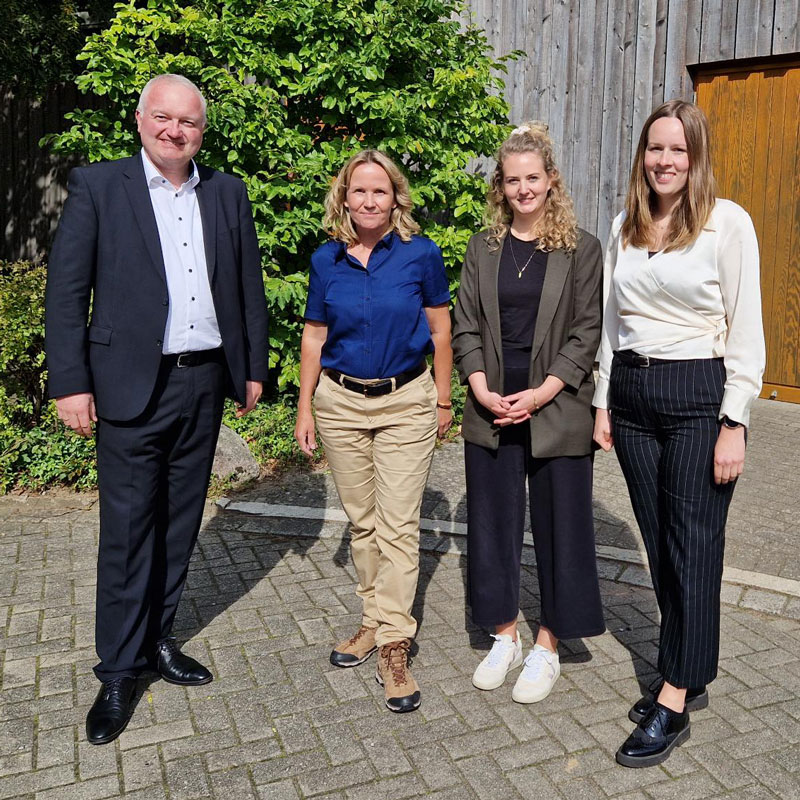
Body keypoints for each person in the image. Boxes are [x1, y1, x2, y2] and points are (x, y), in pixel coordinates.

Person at [45, 74, 269, 745]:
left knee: (179, 524)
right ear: (141, 119)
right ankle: (117, 669)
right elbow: (66, 293)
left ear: (203, 131)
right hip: (127, 386)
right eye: (165, 118)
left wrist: (252, 368)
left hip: (202, 383)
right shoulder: (99, 186)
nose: (176, 131)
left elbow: (247, 284)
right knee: (127, 532)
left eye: (190, 122)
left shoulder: (225, 193)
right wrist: (70, 382)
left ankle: (159, 642)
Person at [593, 99, 765, 768]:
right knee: (659, 541)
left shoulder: (728, 224)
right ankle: (685, 665)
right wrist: (605, 403)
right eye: (654, 148)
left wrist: (735, 421)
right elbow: (613, 322)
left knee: (693, 544)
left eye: (678, 150)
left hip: (699, 394)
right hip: (633, 395)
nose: (664, 161)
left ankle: (673, 697)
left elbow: (746, 329)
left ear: (696, 158)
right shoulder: (625, 226)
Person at [452, 122, 605, 705]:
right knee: (491, 525)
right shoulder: (482, 246)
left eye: (533, 178)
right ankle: (504, 633)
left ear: (551, 180)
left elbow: (587, 330)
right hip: (491, 400)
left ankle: (548, 644)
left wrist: (541, 393)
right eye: (513, 179)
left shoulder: (580, 248)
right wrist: (481, 386)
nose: (523, 189)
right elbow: (465, 323)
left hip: (557, 405)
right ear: (501, 184)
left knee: (562, 527)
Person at [294, 149, 452, 713]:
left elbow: (440, 331)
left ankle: (393, 643)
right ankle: (371, 619)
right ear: (344, 197)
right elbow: (314, 336)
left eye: (379, 191)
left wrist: (441, 399)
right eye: (358, 191)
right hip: (339, 403)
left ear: (395, 198)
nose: (368, 200)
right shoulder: (325, 260)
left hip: (405, 401)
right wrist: (305, 406)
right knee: (362, 523)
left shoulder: (421, 255)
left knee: (398, 526)